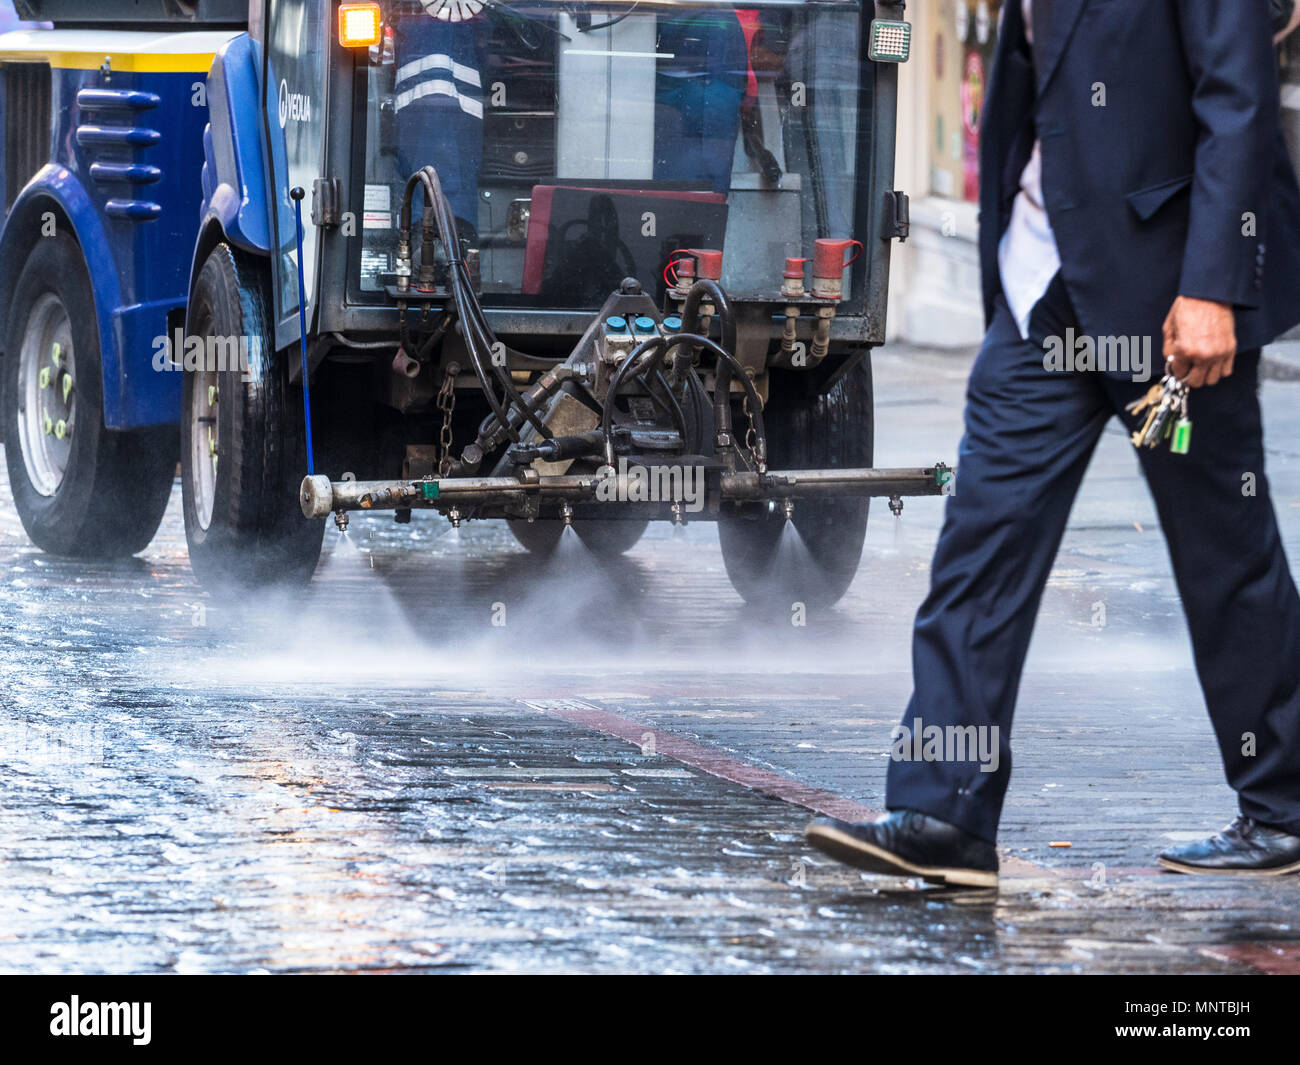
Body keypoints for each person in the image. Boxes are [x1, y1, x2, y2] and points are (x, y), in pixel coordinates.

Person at [806, 0, 1300, 886]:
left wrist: (1215, 286)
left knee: (1226, 561)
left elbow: (1239, 94)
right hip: (1042, 290)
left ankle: (1288, 805)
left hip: (1169, 300)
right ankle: (941, 810)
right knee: (980, 540)